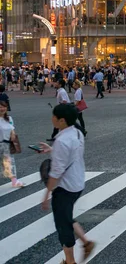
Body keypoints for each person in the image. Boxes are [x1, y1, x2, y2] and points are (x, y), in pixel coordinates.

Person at [37, 104, 95, 264]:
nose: (52, 118)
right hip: (78, 182)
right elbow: (72, 152)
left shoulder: (62, 140)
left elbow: (56, 173)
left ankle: (70, 261)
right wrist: (52, 149)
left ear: (61, 120)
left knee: (63, 226)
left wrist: (46, 194)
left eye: (54, 116)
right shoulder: (77, 132)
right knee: (65, 216)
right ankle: (86, 242)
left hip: (65, 188)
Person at [0, 101, 24, 187]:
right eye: (0, 107)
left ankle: (14, 181)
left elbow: (12, 127)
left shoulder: (9, 118)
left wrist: (13, 132)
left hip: (6, 145)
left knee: (9, 163)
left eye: (4, 107)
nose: (2, 109)